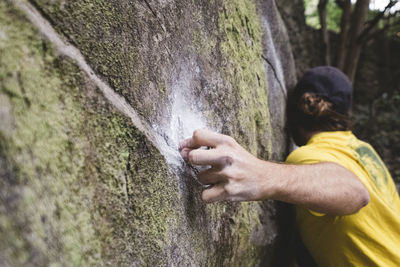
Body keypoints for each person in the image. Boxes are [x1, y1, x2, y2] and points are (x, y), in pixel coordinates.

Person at [179, 66, 400, 266]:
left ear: (299, 107)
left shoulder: (308, 156)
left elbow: (354, 191)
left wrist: (262, 174)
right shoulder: (365, 150)